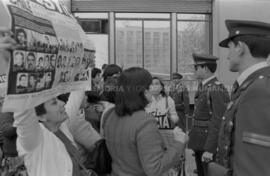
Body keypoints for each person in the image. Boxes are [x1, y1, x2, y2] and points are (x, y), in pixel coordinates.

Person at [104, 67, 188, 176]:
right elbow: (155, 168)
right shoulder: (145, 122)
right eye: (149, 86)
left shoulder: (110, 114)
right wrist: (179, 142)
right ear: (142, 91)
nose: (151, 89)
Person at [216, 20, 270, 176]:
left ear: (240, 47)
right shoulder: (251, 84)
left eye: (230, 48)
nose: (227, 56)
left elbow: (254, 164)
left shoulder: (259, 90)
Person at [188, 54, 230, 176]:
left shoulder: (216, 89)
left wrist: (210, 149)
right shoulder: (204, 86)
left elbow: (219, 121)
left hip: (207, 143)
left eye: (196, 67)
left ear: (205, 68)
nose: (194, 70)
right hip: (199, 141)